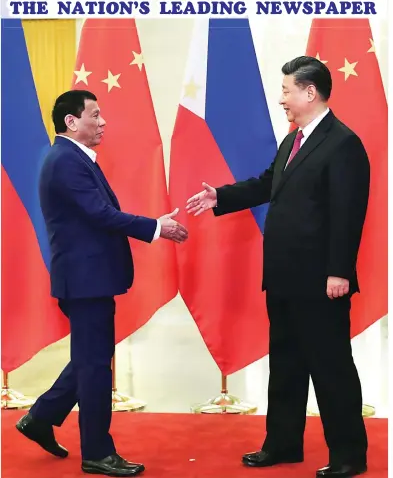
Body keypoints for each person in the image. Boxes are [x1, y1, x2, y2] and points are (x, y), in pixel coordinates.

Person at [186, 56, 370, 478]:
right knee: (285, 364)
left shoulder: (343, 144)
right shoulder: (293, 140)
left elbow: (348, 213)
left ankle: (348, 456)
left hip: (322, 281)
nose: (281, 98)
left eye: (287, 90)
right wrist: (222, 197)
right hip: (284, 277)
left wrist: (339, 271)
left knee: (331, 367)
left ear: (310, 92)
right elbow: (268, 183)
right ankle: (283, 444)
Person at [16, 90, 188, 477]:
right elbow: (100, 214)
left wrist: (152, 224)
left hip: (88, 278)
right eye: (95, 114)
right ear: (71, 122)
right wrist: (156, 227)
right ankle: (97, 452)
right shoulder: (66, 161)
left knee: (90, 359)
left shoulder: (73, 159)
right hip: (85, 280)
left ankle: (41, 417)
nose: (103, 121)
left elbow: (98, 214)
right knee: (95, 368)